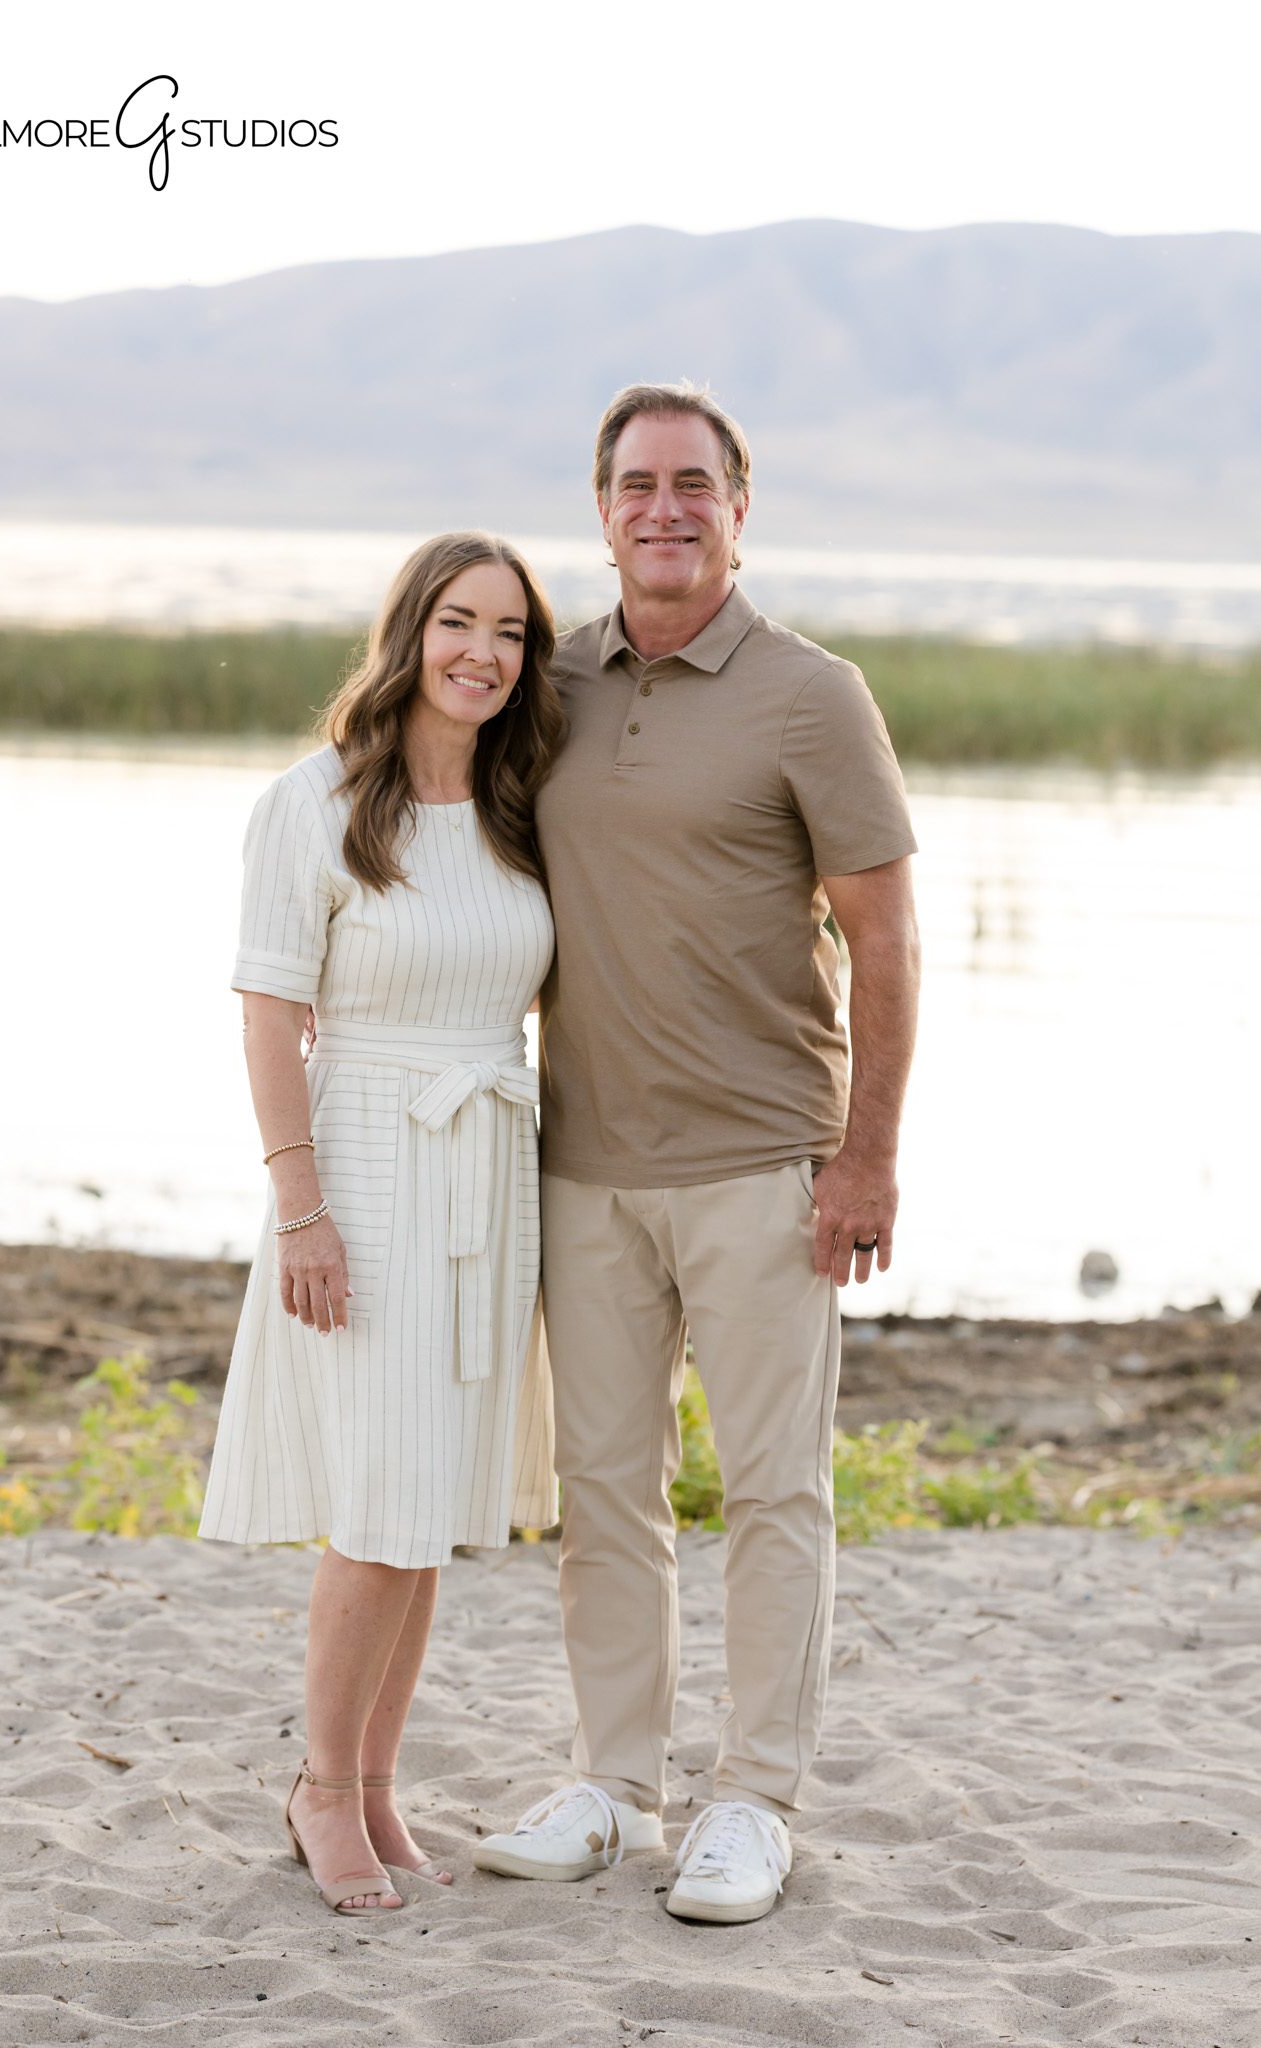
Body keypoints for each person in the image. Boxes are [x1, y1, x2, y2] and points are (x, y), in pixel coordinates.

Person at [474, 383, 921, 1924]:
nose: (662, 507)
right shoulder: (552, 685)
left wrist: (865, 1158)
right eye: (633, 483)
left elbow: (884, 938)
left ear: (741, 507)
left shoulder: (813, 693)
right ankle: (613, 1780)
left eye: (693, 484)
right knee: (603, 1490)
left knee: (773, 1493)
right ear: (600, 509)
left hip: (762, 1166)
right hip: (580, 1161)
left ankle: (755, 1801)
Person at [198, 532, 563, 1915]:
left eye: (513, 634)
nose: (483, 653)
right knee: (374, 1512)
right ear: (407, 631)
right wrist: (301, 1209)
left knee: (427, 1510)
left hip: (489, 1167)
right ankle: (318, 1786)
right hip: (364, 1164)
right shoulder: (316, 802)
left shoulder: (522, 807)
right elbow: (269, 1015)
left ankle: (373, 1783)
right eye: (459, 622)